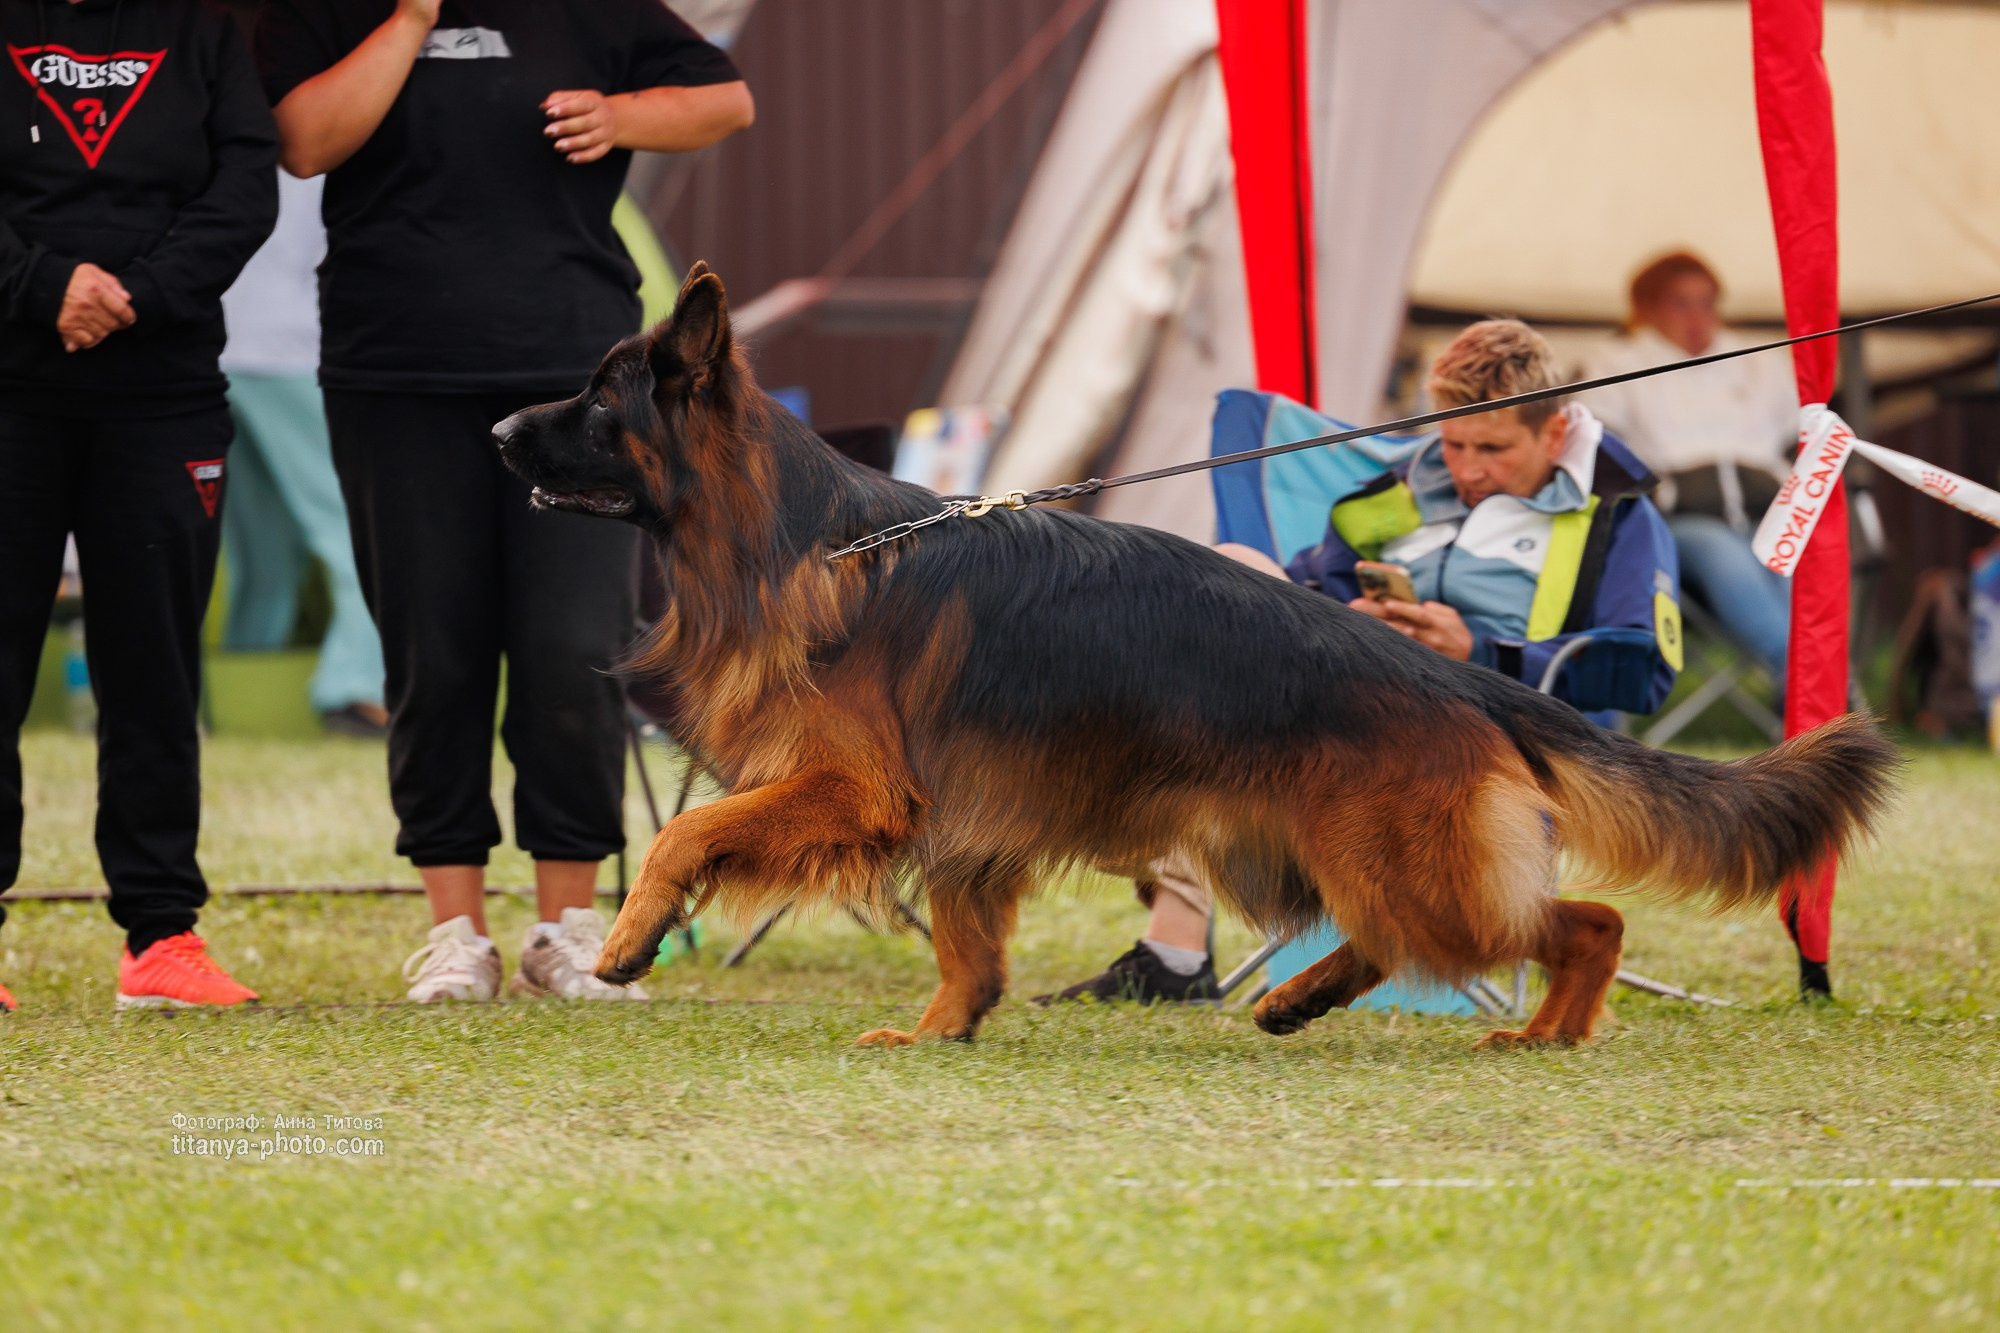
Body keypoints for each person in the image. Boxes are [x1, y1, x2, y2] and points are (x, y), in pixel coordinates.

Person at [257, 0, 752, 1002]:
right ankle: (455, 934)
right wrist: (407, 21)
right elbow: (305, 144)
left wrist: (620, 118)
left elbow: (725, 100)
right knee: (431, 649)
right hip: (394, 370)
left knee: (571, 645)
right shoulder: (329, 13)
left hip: (574, 386)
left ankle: (568, 927)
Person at [1039, 319, 1682, 1005]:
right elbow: (1316, 584)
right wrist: (1350, 623)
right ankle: (1172, 941)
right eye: (1453, 441)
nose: (1467, 468)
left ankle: (1186, 946)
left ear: (1554, 433)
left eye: (1493, 448)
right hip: (1343, 722)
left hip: (1482, 751)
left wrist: (1479, 650)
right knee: (1232, 572)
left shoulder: (1617, 515)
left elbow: (1640, 670)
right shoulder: (1398, 488)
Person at [0, 0, 277, 1010]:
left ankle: (160, 938)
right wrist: (42, 287)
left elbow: (245, 191)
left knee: (154, 670)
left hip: (163, 400)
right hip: (10, 391)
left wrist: (137, 295)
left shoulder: (203, 31)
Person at [220, 169, 389, 738]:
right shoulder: (329, 119)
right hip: (294, 345)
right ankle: (356, 688)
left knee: (260, 549)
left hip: (226, 338)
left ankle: (239, 692)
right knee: (357, 525)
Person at [1581, 251, 1796, 681]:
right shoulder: (1615, 363)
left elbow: (1796, 438)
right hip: (1679, 519)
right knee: (1723, 553)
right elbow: (1600, 452)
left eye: (1707, 302)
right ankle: (1806, 681)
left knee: (1799, 558)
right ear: (1645, 309)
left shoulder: (1760, 358)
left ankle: (1809, 685)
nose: (1697, 316)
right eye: (1680, 303)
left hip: (1770, 507)